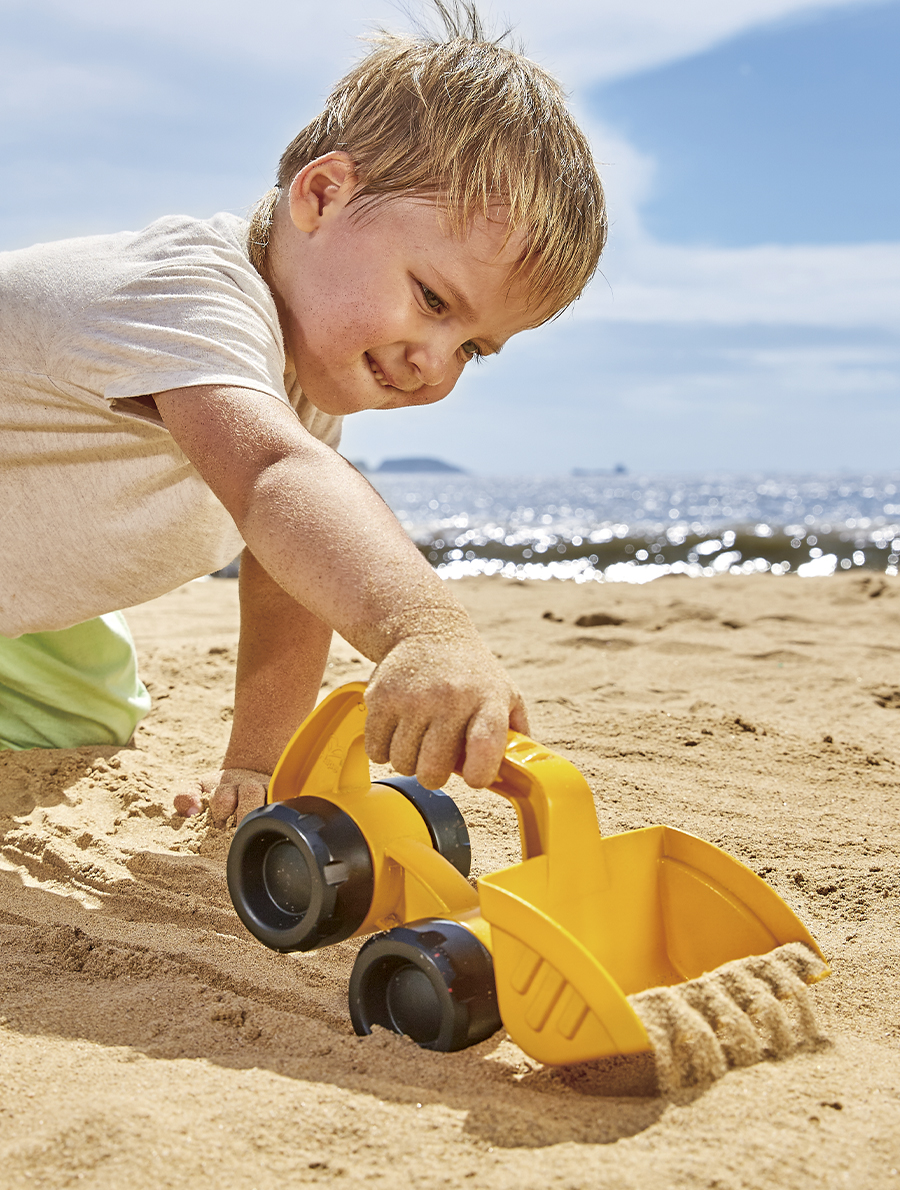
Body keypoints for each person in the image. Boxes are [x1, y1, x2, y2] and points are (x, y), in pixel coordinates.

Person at [0, 2, 606, 825]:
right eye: (432, 299)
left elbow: (288, 571)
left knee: (83, 722)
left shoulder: (297, 387)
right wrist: (424, 630)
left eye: (474, 348)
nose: (436, 359)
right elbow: (277, 481)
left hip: (26, 586)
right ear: (322, 195)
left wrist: (259, 763)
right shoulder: (186, 296)